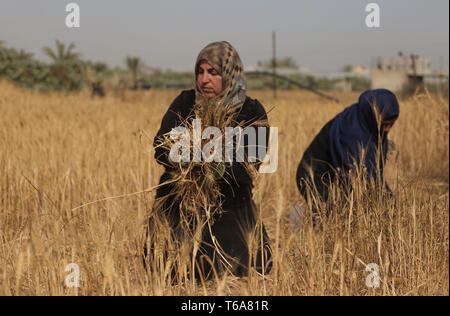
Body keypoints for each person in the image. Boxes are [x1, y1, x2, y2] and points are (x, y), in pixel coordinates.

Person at [145, 41, 272, 279]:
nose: (204, 80)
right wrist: (190, 164)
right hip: (180, 202)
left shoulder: (251, 111)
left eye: (213, 72)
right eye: (200, 72)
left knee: (252, 266)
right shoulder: (185, 103)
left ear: (230, 74)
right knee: (168, 266)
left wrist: (209, 165)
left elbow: (249, 164)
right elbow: (161, 147)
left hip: (230, 203)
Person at [296, 89, 400, 217]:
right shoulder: (352, 132)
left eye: (391, 124)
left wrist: (390, 203)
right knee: (337, 216)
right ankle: (301, 223)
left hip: (336, 178)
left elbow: (375, 175)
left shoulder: (368, 122)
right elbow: (363, 179)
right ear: (374, 116)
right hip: (313, 178)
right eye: (384, 124)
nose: (387, 130)